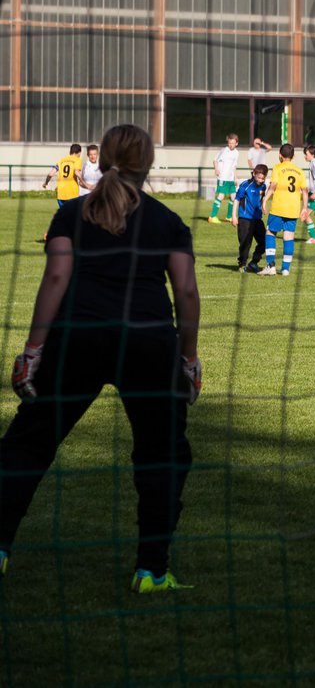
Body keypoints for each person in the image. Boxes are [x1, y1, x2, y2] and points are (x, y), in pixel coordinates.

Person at [4, 124, 200, 593]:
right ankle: (152, 570)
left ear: (103, 158)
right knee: (161, 457)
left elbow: (55, 280)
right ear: (148, 163)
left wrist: (34, 351)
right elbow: (187, 292)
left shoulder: (71, 214)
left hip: (79, 339)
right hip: (150, 344)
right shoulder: (167, 221)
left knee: (28, 444)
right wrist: (189, 360)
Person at [259, 143, 308, 277]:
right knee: (289, 237)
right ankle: (285, 269)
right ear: (293, 156)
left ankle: (271, 266)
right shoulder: (299, 171)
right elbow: (304, 191)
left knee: (270, 233)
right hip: (293, 209)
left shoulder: (278, 168)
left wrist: (264, 200)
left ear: (280, 155)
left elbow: (273, 185)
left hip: (278, 207)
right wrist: (304, 207)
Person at [231, 163, 268, 273]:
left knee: (265, 242)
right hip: (245, 219)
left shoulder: (263, 186)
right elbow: (237, 200)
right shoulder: (245, 185)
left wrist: (263, 207)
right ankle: (242, 264)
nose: (261, 180)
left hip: (257, 219)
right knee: (245, 243)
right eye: (259, 177)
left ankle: (254, 263)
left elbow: (261, 198)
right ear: (254, 174)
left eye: (263, 178)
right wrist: (234, 216)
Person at [208, 133, 239, 224]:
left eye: (233, 143)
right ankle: (212, 217)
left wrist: (235, 177)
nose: (231, 145)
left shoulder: (237, 153)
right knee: (221, 196)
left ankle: (229, 217)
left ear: (236, 143)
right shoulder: (224, 150)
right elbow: (215, 160)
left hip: (230, 179)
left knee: (233, 197)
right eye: (229, 143)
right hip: (223, 178)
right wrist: (216, 169)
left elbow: (234, 166)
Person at [44, 143, 83, 209]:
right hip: (72, 193)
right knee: (74, 216)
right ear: (79, 153)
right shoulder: (77, 160)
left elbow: (50, 174)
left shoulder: (61, 160)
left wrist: (46, 183)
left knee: (65, 216)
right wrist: (84, 181)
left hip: (61, 193)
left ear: (70, 152)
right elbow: (76, 172)